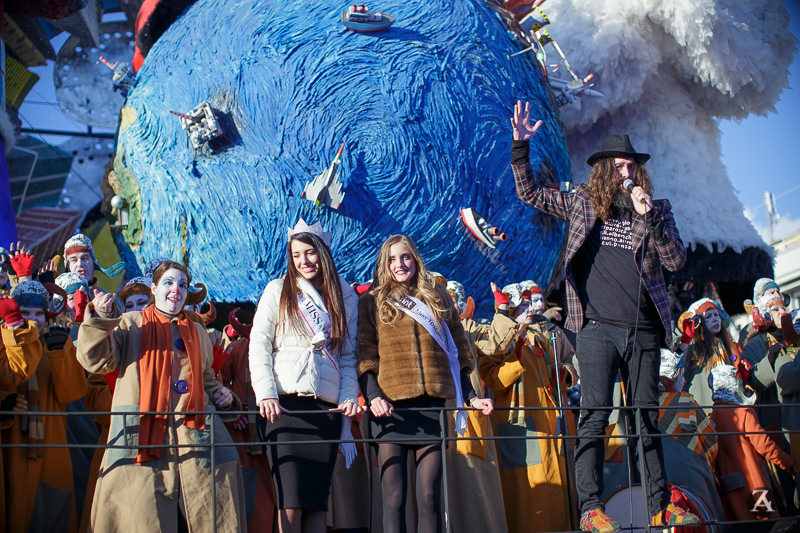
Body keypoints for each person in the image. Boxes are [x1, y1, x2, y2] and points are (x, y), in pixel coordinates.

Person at [510, 100, 698, 531]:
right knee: (595, 416)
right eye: (616, 166)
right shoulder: (581, 202)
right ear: (602, 170)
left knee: (645, 417)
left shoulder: (657, 210)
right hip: (595, 328)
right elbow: (530, 194)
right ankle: (591, 509)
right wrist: (521, 147)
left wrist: (649, 216)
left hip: (645, 330)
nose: (624, 172)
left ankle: (659, 505)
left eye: (629, 166)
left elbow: (674, 261)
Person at [77, 260, 246, 532]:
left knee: (209, 512)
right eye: (168, 282)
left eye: (182, 284)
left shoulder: (198, 332)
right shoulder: (129, 324)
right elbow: (96, 361)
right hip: (142, 438)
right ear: (154, 288)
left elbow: (207, 378)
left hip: (197, 439)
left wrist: (223, 395)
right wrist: (98, 320)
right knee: (141, 516)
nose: (176, 290)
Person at [357, 234, 493, 533]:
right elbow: (365, 357)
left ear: (415, 259)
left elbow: (458, 354)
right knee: (394, 498)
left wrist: (471, 396)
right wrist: (374, 395)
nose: (399, 264)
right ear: (384, 264)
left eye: (405, 257)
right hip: (389, 409)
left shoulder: (438, 297)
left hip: (432, 407)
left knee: (430, 495)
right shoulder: (372, 301)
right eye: (392, 259)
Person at [249, 219, 362, 533]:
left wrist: (349, 397)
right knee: (291, 499)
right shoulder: (277, 290)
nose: (304, 261)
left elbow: (349, 356)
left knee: (316, 502)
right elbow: (259, 344)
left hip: (325, 410)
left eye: (310, 253)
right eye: (297, 255)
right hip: (283, 409)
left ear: (323, 253)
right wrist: (266, 393)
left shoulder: (345, 296)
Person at [479, 280, 575, 532]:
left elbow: (557, 378)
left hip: (550, 429)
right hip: (522, 432)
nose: (530, 308)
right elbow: (494, 380)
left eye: (528, 304)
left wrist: (563, 374)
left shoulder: (540, 338)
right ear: (510, 311)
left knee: (561, 501)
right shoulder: (495, 340)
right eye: (522, 305)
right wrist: (516, 356)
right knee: (529, 505)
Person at [2, 280, 86, 532]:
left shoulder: (58, 342)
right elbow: (8, 378)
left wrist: (60, 355)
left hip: (51, 448)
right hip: (10, 446)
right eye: (25, 313)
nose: (33, 319)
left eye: (38, 313)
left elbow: (72, 393)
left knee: (54, 514)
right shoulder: (2, 342)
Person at [708, 364, 795, 522]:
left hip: (730, 484)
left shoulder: (712, 416)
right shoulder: (743, 412)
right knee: (768, 523)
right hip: (754, 483)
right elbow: (764, 445)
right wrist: (788, 463)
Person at [680, 298, 741, 413]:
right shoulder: (693, 348)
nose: (714, 319)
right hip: (703, 412)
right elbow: (677, 363)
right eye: (708, 316)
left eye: (716, 315)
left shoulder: (727, 347)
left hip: (728, 412)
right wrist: (685, 340)